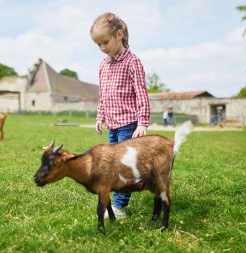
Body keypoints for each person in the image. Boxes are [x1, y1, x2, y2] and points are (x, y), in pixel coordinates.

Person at [90, 13, 151, 218]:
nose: (102, 48)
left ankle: (120, 207)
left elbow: (141, 92)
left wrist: (143, 121)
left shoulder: (133, 62)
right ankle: (115, 199)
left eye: (105, 42)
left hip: (129, 124)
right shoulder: (103, 65)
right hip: (113, 125)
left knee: (122, 165)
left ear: (119, 34)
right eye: (98, 45)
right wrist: (100, 116)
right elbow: (103, 95)